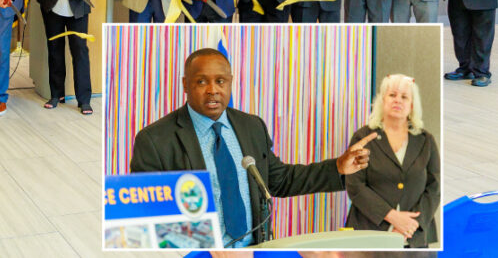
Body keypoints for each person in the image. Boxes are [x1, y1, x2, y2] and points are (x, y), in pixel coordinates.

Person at [130, 48, 376, 247]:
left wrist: (337, 168)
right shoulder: (154, 140)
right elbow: (145, 215)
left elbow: (279, 180)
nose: (212, 90)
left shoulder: (251, 126)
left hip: (253, 249)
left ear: (231, 82)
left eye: (220, 81)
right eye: (201, 81)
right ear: (185, 84)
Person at [345, 74, 440, 247]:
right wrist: (392, 217)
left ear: (412, 105)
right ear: (382, 100)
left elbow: (434, 188)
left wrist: (411, 225)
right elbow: (355, 186)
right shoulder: (363, 137)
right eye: (392, 95)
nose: (398, 100)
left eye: (404, 97)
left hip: (413, 236)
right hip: (368, 232)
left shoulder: (426, 140)